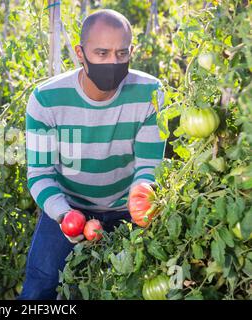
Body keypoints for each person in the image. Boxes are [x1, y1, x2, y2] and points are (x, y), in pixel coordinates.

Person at [19, 9, 166, 299]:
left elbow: (148, 164)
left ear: (131, 52)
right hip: (69, 205)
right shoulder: (46, 99)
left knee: (133, 287)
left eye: (122, 53)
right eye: (101, 53)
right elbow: (40, 174)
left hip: (127, 209)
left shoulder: (151, 93)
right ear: (80, 53)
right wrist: (64, 215)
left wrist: (142, 192)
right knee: (41, 284)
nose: (113, 62)